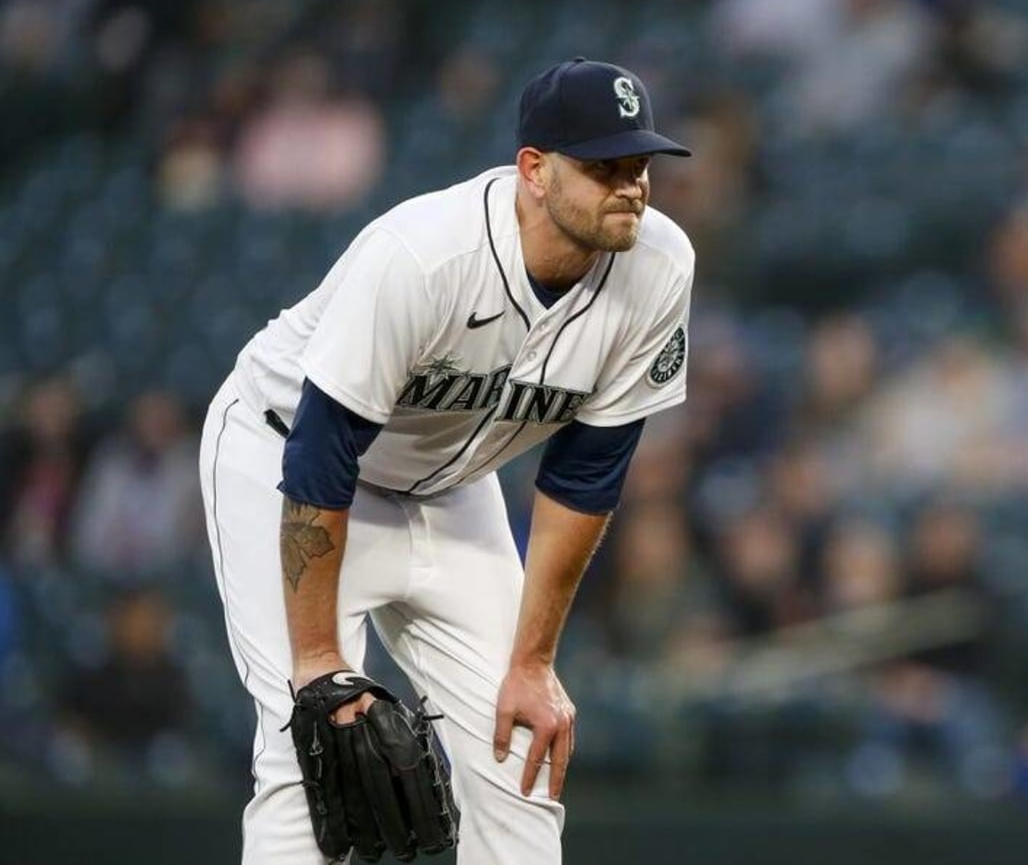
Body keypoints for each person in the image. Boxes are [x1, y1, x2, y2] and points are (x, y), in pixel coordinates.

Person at [198, 57, 693, 863]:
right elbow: (323, 452)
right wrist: (321, 663)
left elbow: (585, 475)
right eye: (604, 166)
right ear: (534, 170)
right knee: (309, 749)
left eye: (640, 165)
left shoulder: (660, 268)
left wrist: (533, 663)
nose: (631, 185)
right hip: (285, 456)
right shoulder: (423, 256)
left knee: (521, 753)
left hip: (452, 483)